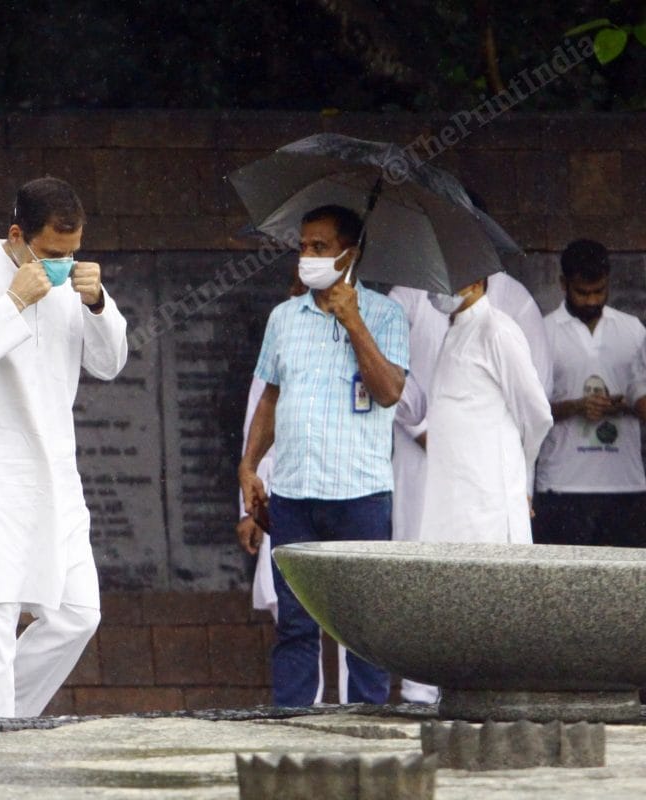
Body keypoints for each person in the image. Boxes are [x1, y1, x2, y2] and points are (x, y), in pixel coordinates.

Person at [0, 176, 128, 719]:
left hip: (58, 477)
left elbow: (110, 364)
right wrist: (13, 302)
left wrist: (98, 303)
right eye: (51, 253)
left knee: (78, 613)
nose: (64, 262)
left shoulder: (74, 288)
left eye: (73, 252)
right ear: (17, 236)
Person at [238, 204, 408, 708]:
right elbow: (270, 397)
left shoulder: (386, 314)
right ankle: (292, 720)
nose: (306, 257)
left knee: (364, 626)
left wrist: (354, 321)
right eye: (303, 247)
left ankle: (368, 724)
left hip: (360, 496)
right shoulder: (284, 317)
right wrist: (249, 466)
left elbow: (389, 391)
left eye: (319, 247)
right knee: (294, 624)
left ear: (349, 255)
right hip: (293, 496)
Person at [418, 277, 552, 545]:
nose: (437, 291)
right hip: (450, 499)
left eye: (446, 281)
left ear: (477, 282)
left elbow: (536, 414)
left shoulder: (497, 330)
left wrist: (521, 479)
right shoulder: (454, 331)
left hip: (489, 504)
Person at [535, 239, 646, 547]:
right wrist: (576, 407)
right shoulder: (543, 332)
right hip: (562, 483)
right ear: (563, 284)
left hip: (625, 483)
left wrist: (621, 407)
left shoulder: (632, 330)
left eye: (599, 291)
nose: (591, 300)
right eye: (582, 293)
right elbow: (529, 409)